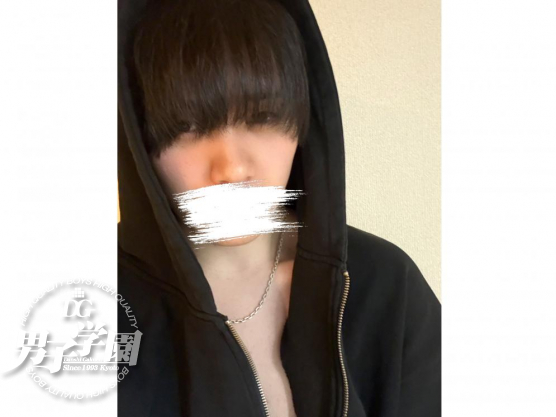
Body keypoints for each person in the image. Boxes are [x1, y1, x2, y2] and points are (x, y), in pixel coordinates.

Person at [117, 0, 441, 416]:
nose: (232, 168)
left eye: (263, 117)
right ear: (139, 138)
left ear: (303, 121)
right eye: (186, 127)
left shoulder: (386, 286)